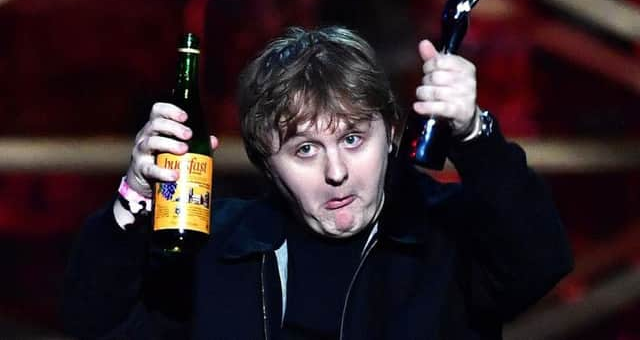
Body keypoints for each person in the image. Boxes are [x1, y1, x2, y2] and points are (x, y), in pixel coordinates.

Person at [63, 26, 573, 339]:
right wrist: (133, 197)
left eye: (353, 139)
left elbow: (541, 260)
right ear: (268, 162)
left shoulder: (446, 238)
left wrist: (474, 135)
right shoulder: (218, 251)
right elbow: (95, 322)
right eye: (305, 149)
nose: (336, 171)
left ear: (391, 134)